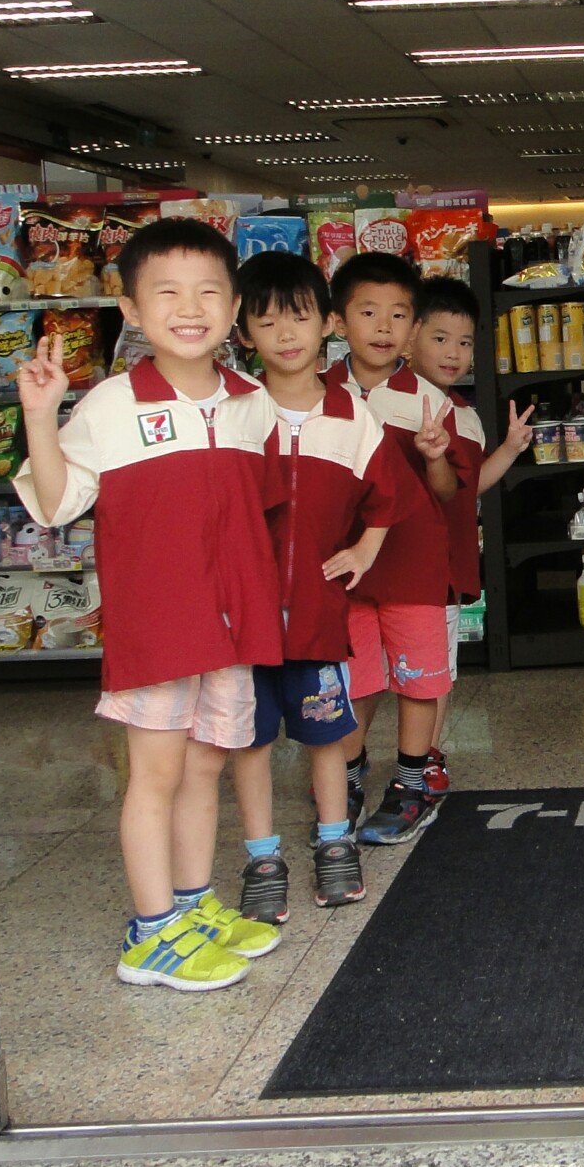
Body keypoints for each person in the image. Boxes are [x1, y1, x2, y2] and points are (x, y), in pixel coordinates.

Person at [16, 216, 285, 993]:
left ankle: (192, 905)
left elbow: (255, 509)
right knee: (157, 772)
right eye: (166, 292)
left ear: (234, 309)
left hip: (230, 618)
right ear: (131, 309)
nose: (189, 307)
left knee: (206, 763)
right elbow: (58, 503)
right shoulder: (110, 402)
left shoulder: (250, 401)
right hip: (159, 622)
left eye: (209, 291)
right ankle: (151, 932)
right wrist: (42, 416)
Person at [227, 249, 406, 926]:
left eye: (299, 317)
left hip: (317, 612)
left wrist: (365, 546)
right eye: (267, 322)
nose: (286, 334)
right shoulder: (235, 414)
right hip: (243, 619)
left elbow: (387, 492)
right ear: (243, 333)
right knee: (250, 738)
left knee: (329, 733)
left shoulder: (350, 414)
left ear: (326, 322)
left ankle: (335, 842)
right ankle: (263, 858)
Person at [323, 252, 462, 844]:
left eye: (398, 315)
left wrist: (434, 458)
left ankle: (412, 782)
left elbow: (449, 492)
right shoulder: (315, 391)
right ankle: (348, 777)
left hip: (414, 564)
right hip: (343, 566)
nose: (383, 327)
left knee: (419, 677)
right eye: (368, 312)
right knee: (352, 678)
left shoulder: (430, 400)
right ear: (337, 322)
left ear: (412, 329)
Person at [407, 277, 536, 767]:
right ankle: (348, 771)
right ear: (412, 333)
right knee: (375, 677)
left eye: (464, 343)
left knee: (438, 673)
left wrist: (510, 448)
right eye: (440, 339)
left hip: (447, 568)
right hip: (396, 568)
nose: (453, 353)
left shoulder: (466, 415)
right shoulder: (381, 401)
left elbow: (469, 488)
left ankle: (425, 759)